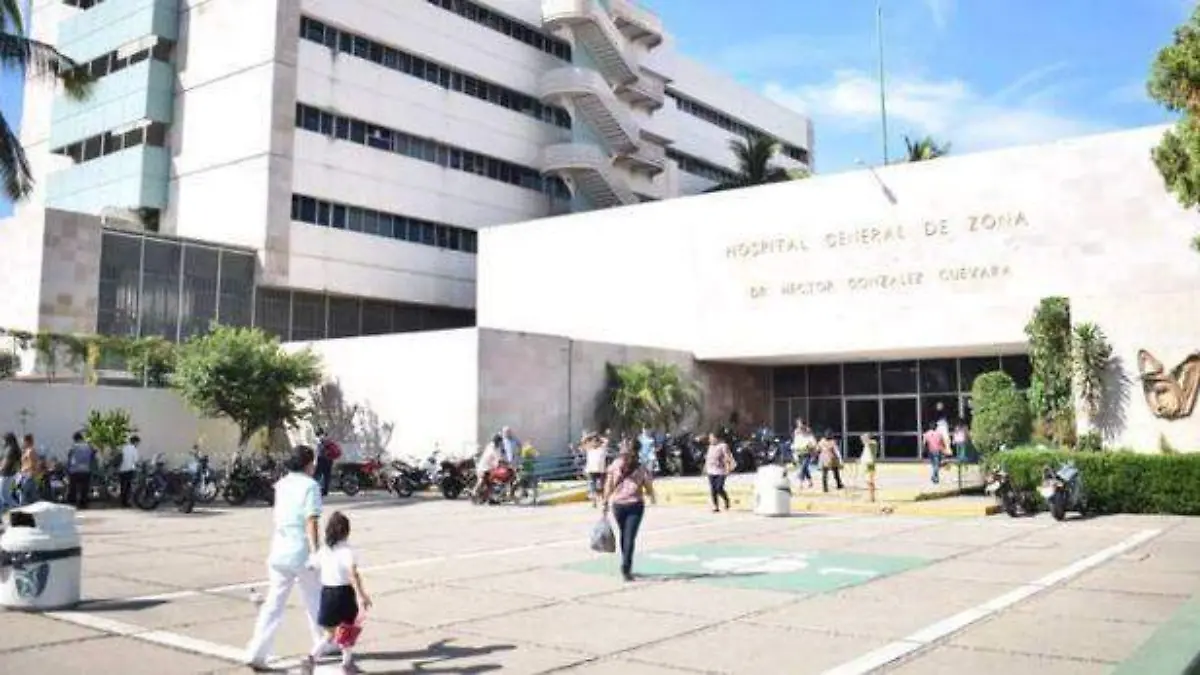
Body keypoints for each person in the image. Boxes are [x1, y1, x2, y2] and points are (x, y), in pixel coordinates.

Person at [245, 445, 326, 671]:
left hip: (280, 548)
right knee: (314, 598)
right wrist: (316, 551)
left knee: (273, 604)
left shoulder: (281, 484)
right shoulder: (310, 486)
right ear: (308, 464)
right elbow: (311, 520)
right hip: (301, 551)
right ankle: (324, 642)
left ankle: (257, 651)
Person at [303, 511, 372, 674]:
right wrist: (362, 595)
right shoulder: (348, 551)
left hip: (327, 593)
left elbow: (312, 565)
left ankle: (311, 658)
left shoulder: (324, 550)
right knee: (347, 631)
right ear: (347, 531)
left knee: (329, 634)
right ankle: (346, 664)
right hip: (344, 593)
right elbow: (353, 574)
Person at [602, 443, 656, 582]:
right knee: (624, 535)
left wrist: (651, 494)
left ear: (632, 454)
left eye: (626, 454)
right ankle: (626, 563)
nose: (624, 457)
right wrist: (605, 501)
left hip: (634, 505)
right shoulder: (615, 466)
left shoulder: (640, 467)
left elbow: (647, 484)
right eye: (623, 454)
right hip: (619, 505)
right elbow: (609, 484)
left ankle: (626, 566)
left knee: (629, 536)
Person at [704, 432, 734, 512]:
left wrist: (728, 467)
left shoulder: (723, 446)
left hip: (721, 471)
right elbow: (708, 458)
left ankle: (726, 500)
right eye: (709, 438)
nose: (710, 440)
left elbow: (727, 457)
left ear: (716, 438)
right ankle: (716, 506)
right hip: (711, 471)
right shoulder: (710, 447)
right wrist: (705, 468)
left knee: (719, 488)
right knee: (713, 489)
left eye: (711, 438)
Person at [65, 431, 96, 509]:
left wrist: (68, 468)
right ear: (82, 438)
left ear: (75, 439)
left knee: (73, 488)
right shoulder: (89, 446)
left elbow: (69, 457)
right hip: (86, 470)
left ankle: (73, 504)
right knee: (84, 488)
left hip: (74, 470)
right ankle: (83, 504)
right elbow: (93, 455)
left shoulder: (73, 446)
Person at [474, 434, 503, 503]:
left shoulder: (497, 448)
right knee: (482, 480)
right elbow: (493, 456)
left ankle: (489, 498)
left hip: (491, 468)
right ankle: (474, 493)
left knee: (491, 484)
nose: (500, 443)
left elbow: (498, 457)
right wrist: (499, 462)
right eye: (499, 441)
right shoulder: (491, 447)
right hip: (484, 467)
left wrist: (500, 462)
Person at [583, 433, 608, 507]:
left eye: (596, 441)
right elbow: (583, 441)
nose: (594, 443)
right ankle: (594, 501)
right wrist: (589, 436)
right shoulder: (589, 449)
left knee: (602, 486)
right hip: (591, 470)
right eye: (593, 441)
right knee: (592, 487)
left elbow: (606, 440)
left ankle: (603, 501)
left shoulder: (602, 448)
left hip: (601, 470)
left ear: (599, 442)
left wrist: (598, 437)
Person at [792, 420, 816, 489]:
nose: (800, 427)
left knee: (803, 468)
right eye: (798, 425)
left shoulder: (808, 433)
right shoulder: (797, 433)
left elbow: (813, 442)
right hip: (799, 453)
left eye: (801, 425)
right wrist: (794, 452)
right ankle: (810, 482)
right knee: (805, 469)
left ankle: (800, 483)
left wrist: (812, 448)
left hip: (807, 453)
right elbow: (795, 443)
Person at [118, 435, 140, 508]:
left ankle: (122, 501)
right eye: (138, 443)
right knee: (128, 487)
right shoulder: (134, 449)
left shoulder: (124, 448)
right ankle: (126, 502)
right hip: (129, 469)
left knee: (122, 486)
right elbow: (136, 460)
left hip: (121, 469)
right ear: (135, 442)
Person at [0, 433, 20, 512]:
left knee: (4, 495)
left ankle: (19, 509)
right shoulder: (10, 448)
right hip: (8, 474)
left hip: (6, 474)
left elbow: (6, 462)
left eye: (3, 440)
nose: (2, 441)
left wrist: (1, 468)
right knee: (3, 496)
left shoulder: (11, 449)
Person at [17, 434, 39, 506]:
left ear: (27, 441)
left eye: (23, 441)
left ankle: (23, 509)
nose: (22, 443)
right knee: (32, 497)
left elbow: (33, 464)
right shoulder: (26, 451)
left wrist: (24, 470)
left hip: (28, 476)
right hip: (26, 475)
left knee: (22, 494)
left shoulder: (31, 451)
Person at [860, 433, 878, 502]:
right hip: (866, 463)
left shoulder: (873, 442)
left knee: (870, 481)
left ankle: (872, 498)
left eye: (866, 437)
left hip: (870, 464)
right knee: (867, 481)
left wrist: (865, 437)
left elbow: (864, 440)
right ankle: (871, 497)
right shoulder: (867, 444)